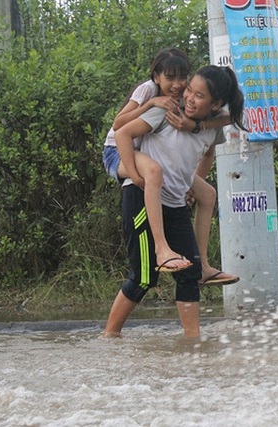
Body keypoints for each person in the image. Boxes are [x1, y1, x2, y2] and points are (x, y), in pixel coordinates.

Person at [102, 65, 246, 338]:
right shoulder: (165, 112)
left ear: (215, 104)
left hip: (175, 202)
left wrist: (196, 132)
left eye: (199, 96)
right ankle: (109, 337)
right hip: (142, 196)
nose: (189, 97)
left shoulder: (211, 126)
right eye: (189, 90)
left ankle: (193, 341)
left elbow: (208, 152)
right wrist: (133, 175)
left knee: (190, 274)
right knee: (144, 277)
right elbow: (122, 132)